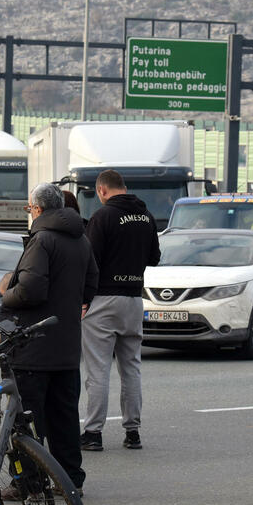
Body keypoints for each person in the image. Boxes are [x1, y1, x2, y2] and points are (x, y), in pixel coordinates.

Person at [1, 183, 98, 493]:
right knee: (64, 419)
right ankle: (70, 479)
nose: (30, 214)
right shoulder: (80, 238)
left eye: (30, 209)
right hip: (67, 345)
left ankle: (29, 482)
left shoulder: (41, 240)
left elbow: (30, 290)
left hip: (33, 347)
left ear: (38, 209)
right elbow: (93, 280)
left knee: (26, 420)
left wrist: (6, 294)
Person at [79, 170, 160, 452]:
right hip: (134, 299)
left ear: (101, 190)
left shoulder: (103, 217)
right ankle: (133, 431)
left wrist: (84, 299)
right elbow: (155, 258)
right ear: (124, 187)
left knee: (98, 370)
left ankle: (93, 432)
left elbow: (90, 261)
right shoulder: (146, 216)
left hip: (103, 298)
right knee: (131, 367)